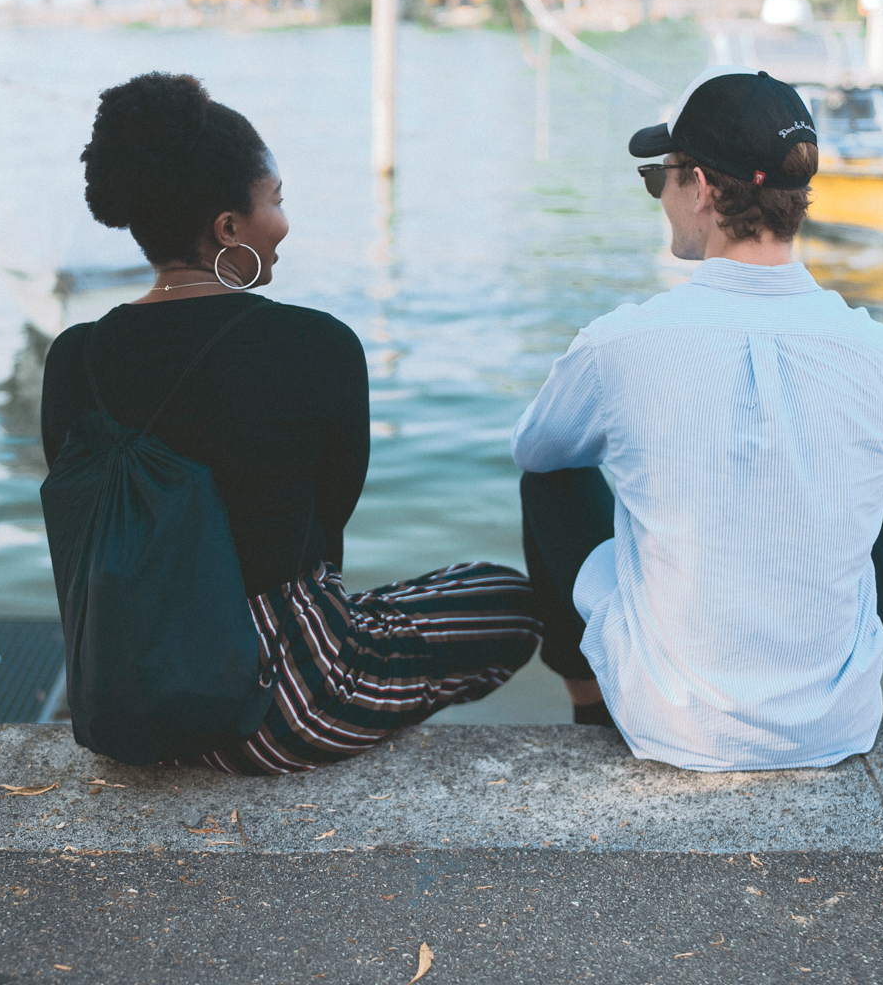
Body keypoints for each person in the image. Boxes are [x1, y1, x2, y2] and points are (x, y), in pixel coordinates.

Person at [41, 71, 540, 775]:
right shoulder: (317, 345)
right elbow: (326, 524)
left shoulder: (73, 359)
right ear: (228, 227)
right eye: (275, 200)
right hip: (283, 708)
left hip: (128, 701)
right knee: (507, 599)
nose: (283, 220)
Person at [511, 67, 883, 772]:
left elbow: (536, 451)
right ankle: (826, 677)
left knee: (548, 477)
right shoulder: (881, 351)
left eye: (657, 177)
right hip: (838, 727)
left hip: (672, 725)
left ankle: (588, 701)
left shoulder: (620, 344)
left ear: (698, 187)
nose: (659, 196)